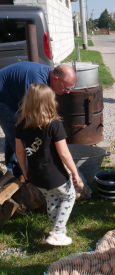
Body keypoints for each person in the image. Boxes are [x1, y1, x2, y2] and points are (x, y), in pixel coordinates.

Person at [15, 83, 79, 246]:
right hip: (55, 174)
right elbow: (64, 153)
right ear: (50, 102)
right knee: (68, 196)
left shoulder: (20, 126)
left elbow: (20, 152)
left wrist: (24, 169)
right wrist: (75, 172)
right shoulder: (54, 125)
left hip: (36, 175)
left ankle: (58, 231)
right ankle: (57, 233)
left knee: (52, 200)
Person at [0, 61, 77, 178]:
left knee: (13, 133)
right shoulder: (36, 81)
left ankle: (13, 170)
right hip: (3, 97)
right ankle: (24, 175)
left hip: (13, 93)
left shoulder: (51, 75)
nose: (68, 92)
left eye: (71, 88)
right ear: (56, 79)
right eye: (66, 88)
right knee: (17, 134)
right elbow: (33, 116)